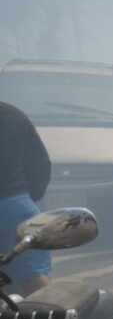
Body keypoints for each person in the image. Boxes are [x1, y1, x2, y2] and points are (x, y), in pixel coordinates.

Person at [0, 102, 51, 297]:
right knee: (33, 280)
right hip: (14, 206)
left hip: (14, 204)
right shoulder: (12, 114)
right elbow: (40, 164)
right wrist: (28, 198)